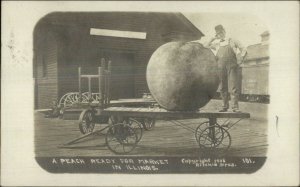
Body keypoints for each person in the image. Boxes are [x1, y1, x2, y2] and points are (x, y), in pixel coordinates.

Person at [206, 25, 247, 112]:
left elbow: (243, 49)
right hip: (220, 67)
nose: (220, 34)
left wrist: (241, 60)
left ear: (224, 31)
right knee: (222, 87)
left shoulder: (232, 40)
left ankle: (235, 107)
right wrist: (213, 38)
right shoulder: (217, 44)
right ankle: (224, 106)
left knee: (233, 87)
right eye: (218, 33)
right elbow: (205, 46)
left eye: (221, 32)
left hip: (232, 66)